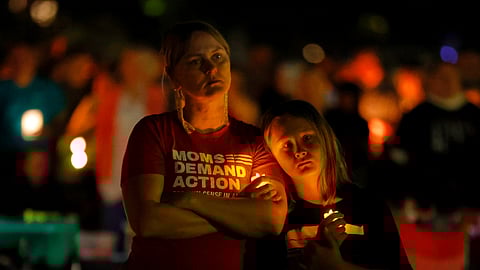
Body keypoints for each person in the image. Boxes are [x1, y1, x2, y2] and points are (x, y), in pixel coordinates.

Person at [120, 20, 289, 270]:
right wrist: (239, 212)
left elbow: (271, 221)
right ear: (174, 75)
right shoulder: (154, 132)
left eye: (218, 56)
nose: (211, 68)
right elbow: (147, 221)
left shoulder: (253, 141)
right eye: (195, 61)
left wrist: (192, 200)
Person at [252, 99, 412, 269]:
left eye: (307, 138)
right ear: (272, 156)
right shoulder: (275, 218)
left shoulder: (368, 206)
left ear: (325, 138)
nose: (299, 151)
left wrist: (336, 266)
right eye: (286, 145)